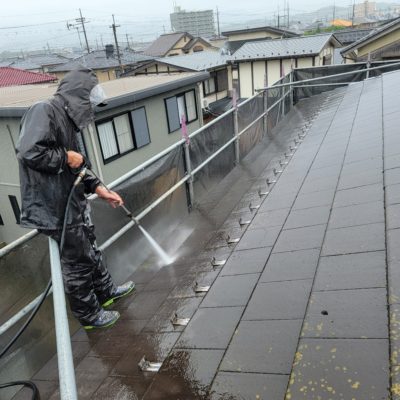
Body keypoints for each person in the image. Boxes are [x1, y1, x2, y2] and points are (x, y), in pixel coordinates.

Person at [16, 68, 135, 330]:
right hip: (54, 207)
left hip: (72, 203)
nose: (91, 109)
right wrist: (65, 156)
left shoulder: (68, 122)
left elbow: (79, 167)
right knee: (77, 263)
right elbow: (29, 152)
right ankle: (89, 316)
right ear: (78, 96)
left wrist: (99, 188)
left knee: (91, 250)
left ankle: (106, 293)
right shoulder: (44, 110)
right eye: (89, 102)